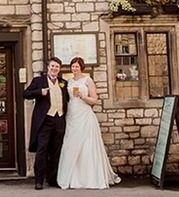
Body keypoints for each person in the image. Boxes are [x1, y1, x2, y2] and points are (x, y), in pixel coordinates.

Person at [56, 56, 121, 189]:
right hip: (72, 115)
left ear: (81, 68)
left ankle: (90, 177)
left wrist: (83, 96)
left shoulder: (88, 80)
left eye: (77, 66)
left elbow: (94, 100)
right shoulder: (68, 82)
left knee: (87, 145)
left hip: (84, 114)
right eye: (73, 66)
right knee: (71, 144)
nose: (74, 68)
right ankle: (72, 177)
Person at [23, 56, 69, 189]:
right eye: (52, 66)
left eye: (57, 67)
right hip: (45, 120)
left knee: (56, 150)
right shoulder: (39, 81)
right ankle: (39, 180)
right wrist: (39, 92)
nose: (55, 69)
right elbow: (25, 94)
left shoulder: (63, 83)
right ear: (48, 68)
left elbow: (68, 99)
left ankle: (52, 179)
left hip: (59, 119)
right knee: (42, 150)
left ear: (59, 69)